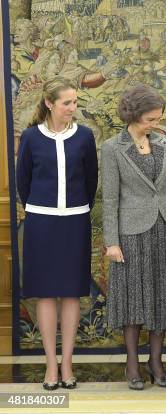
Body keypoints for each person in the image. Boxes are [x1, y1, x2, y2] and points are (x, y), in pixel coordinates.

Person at [102, 84, 166, 390]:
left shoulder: (163, 143)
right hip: (130, 235)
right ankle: (132, 363)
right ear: (134, 114)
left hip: (164, 230)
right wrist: (111, 241)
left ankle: (156, 361)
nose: (156, 123)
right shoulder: (112, 147)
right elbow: (110, 199)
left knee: (161, 298)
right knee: (133, 299)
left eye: (158, 118)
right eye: (151, 119)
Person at [16, 77, 98, 390]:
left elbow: (91, 181)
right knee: (46, 292)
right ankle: (51, 365)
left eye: (75, 102)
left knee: (72, 292)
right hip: (42, 224)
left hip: (75, 222)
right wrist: (45, 207)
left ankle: (67, 364)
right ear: (50, 104)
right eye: (67, 103)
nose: (73, 108)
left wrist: (74, 209)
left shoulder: (85, 137)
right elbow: (24, 182)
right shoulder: (31, 138)